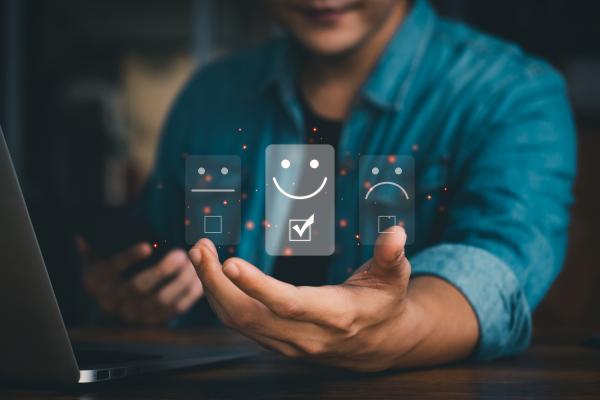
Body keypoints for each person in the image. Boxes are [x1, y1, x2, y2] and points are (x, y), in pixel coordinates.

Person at [79, 0, 576, 371]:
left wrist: (392, 328)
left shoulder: (512, 92)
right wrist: (142, 295)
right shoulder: (211, 94)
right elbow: (164, 249)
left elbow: (497, 268)